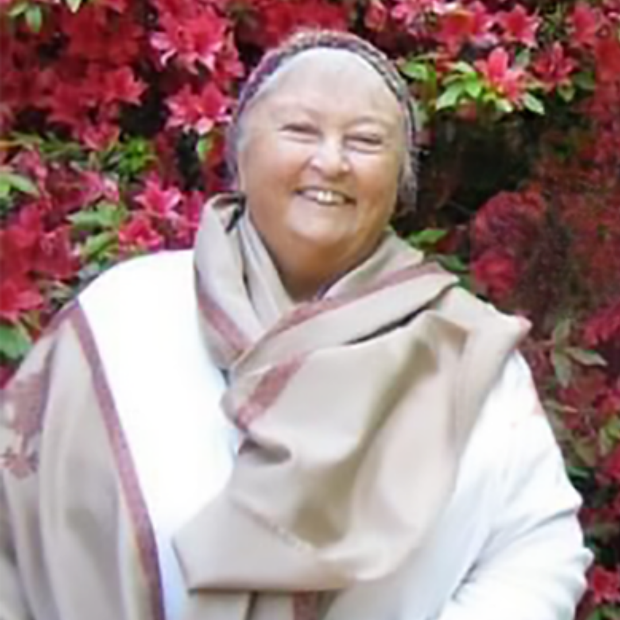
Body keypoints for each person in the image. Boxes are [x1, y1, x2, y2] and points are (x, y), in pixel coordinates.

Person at [0, 29, 591, 620]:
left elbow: (534, 551)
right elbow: (15, 526)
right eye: (300, 131)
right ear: (241, 154)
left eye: (365, 140)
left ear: (401, 182)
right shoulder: (124, 316)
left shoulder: (464, 350)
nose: (330, 162)